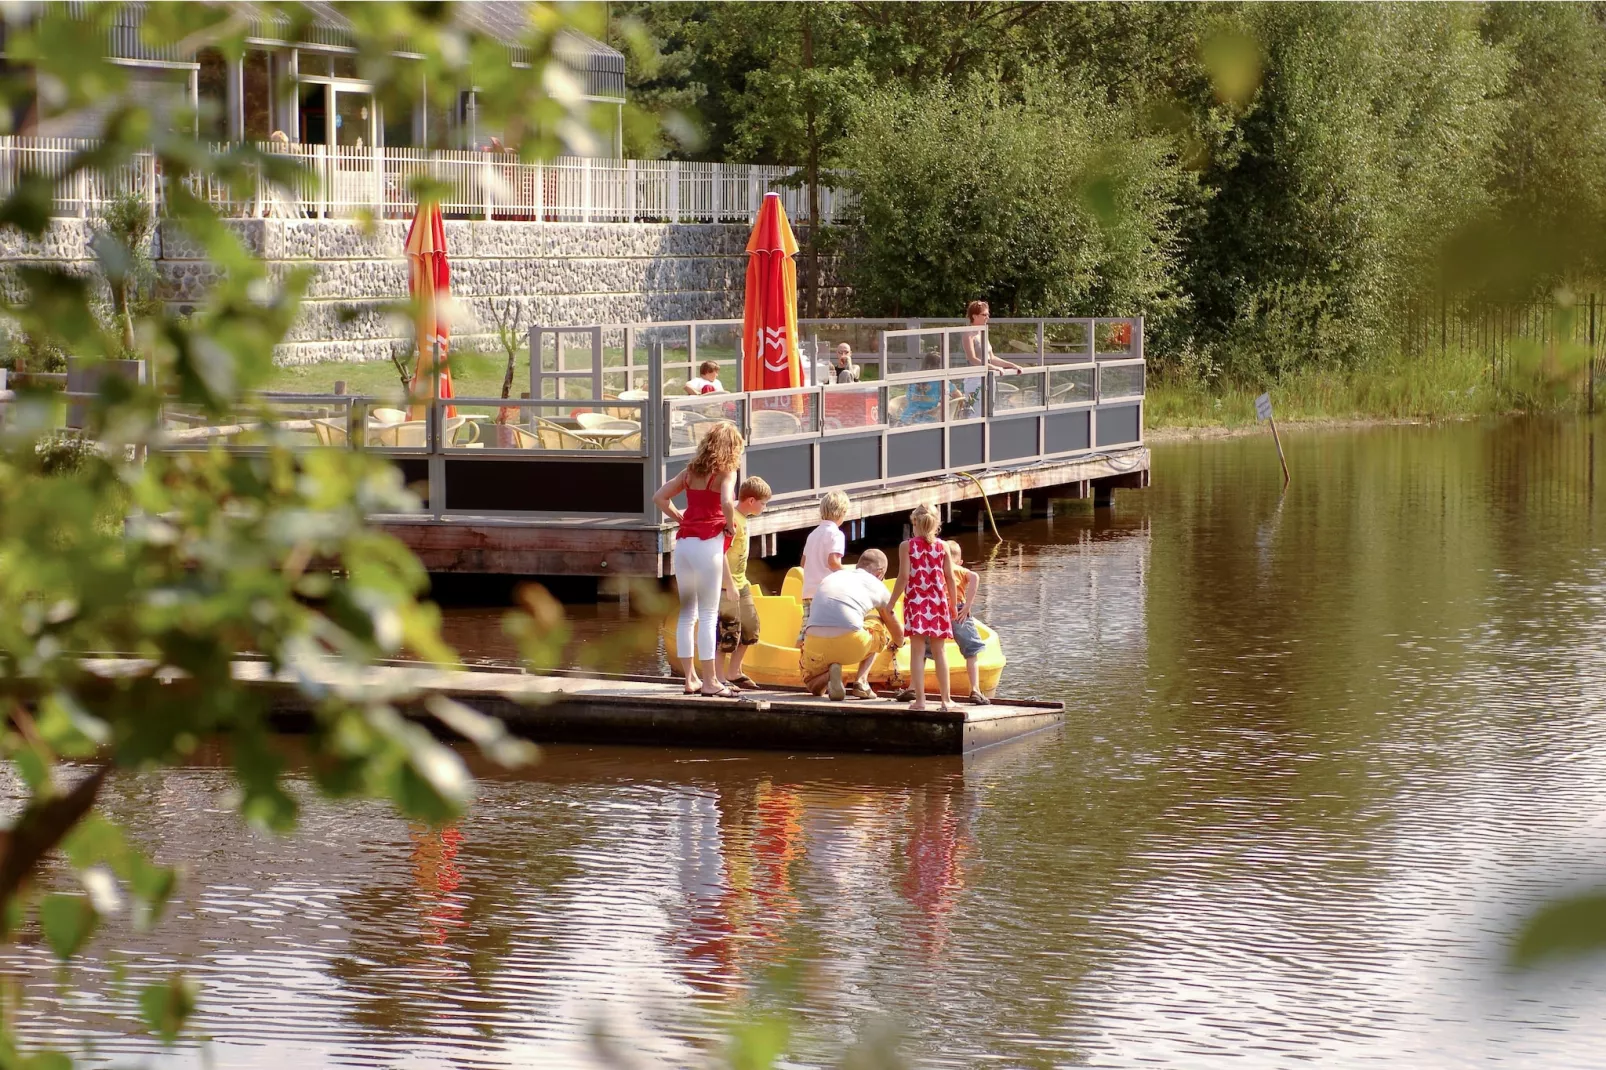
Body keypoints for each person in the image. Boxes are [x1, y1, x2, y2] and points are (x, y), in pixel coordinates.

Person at [653, 421, 744, 698]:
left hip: (684, 545)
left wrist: (680, 517)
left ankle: (690, 679)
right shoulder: (727, 472)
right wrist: (729, 524)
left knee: (687, 614)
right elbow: (728, 502)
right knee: (707, 615)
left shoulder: (690, 471)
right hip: (708, 545)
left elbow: (659, 497)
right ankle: (710, 682)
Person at [801, 549, 904, 701]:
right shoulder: (877, 584)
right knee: (878, 621)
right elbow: (897, 633)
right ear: (880, 573)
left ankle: (830, 674)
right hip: (851, 642)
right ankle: (861, 682)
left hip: (814, 641)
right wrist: (900, 643)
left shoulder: (833, 576)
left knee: (812, 685)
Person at [900, 540, 991, 705]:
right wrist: (968, 605)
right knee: (971, 650)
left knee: (923, 651)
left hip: (937, 609)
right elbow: (975, 577)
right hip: (958, 610)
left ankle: (913, 687)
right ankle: (975, 689)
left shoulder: (937, 567)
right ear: (960, 560)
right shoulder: (960, 569)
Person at [890, 503, 958, 712]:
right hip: (938, 602)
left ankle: (920, 701)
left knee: (917, 652)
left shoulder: (907, 546)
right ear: (936, 524)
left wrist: (891, 603)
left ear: (915, 523)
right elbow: (950, 578)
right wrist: (953, 604)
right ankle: (946, 700)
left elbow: (903, 577)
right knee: (940, 652)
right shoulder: (943, 546)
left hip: (916, 603)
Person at [718, 475, 773, 691]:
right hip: (727, 586)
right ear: (751, 501)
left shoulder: (745, 519)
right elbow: (720, 553)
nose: (764, 507)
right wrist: (729, 584)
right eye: (763, 503)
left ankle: (734, 671)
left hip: (742, 583)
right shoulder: (733, 520)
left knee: (751, 628)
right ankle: (720, 677)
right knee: (728, 633)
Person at [798, 490, 850, 642]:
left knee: (806, 630)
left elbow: (803, 563)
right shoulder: (836, 534)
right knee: (831, 629)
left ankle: (797, 659)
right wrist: (849, 573)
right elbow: (833, 561)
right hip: (826, 593)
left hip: (808, 592)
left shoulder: (813, 534)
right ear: (842, 513)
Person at [958, 300, 1023, 412]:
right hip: (975, 380)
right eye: (984, 315)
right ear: (974, 316)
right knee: (976, 412)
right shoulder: (968, 334)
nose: (987, 317)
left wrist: (1012, 365)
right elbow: (972, 359)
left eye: (988, 314)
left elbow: (992, 358)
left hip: (988, 378)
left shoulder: (984, 333)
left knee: (990, 410)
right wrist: (992, 367)